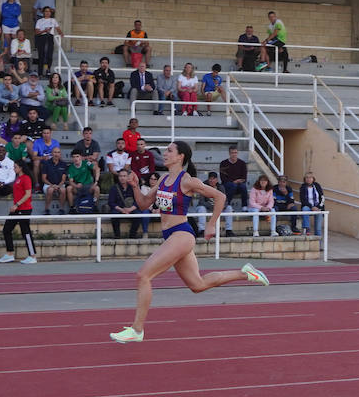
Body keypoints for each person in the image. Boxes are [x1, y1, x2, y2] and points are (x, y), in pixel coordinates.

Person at [109, 141, 269, 343]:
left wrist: (211, 224)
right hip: (171, 236)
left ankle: (137, 329)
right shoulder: (163, 179)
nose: (165, 154)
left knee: (143, 275)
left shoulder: (188, 181)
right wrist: (133, 186)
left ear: (180, 157)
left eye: (169, 151)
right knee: (198, 285)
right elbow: (142, 203)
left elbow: (220, 196)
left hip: (182, 235)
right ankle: (246, 273)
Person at [0, 165, 38, 265]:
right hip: (17, 209)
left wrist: (16, 204)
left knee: (26, 232)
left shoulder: (26, 178)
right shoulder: (18, 179)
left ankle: (32, 256)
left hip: (24, 209)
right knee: (6, 229)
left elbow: (28, 194)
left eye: (15, 167)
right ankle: (10, 254)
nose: (14, 169)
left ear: (21, 168)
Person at [107, 169, 147, 240]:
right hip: (119, 209)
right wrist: (121, 209)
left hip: (131, 208)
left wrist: (130, 209)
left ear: (128, 177)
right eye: (120, 176)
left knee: (138, 215)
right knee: (114, 215)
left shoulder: (133, 187)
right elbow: (111, 202)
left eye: (124, 176)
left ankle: (132, 235)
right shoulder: (114, 188)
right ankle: (117, 236)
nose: (122, 178)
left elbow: (138, 200)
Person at [219, 145, 249, 214]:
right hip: (227, 184)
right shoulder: (223, 163)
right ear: (229, 153)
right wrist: (233, 181)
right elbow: (223, 178)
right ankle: (227, 205)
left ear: (237, 153)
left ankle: (244, 206)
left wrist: (238, 181)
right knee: (233, 185)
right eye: (232, 153)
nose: (234, 154)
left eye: (235, 152)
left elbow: (244, 177)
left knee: (243, 186)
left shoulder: (242, 163)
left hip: (239, 184)